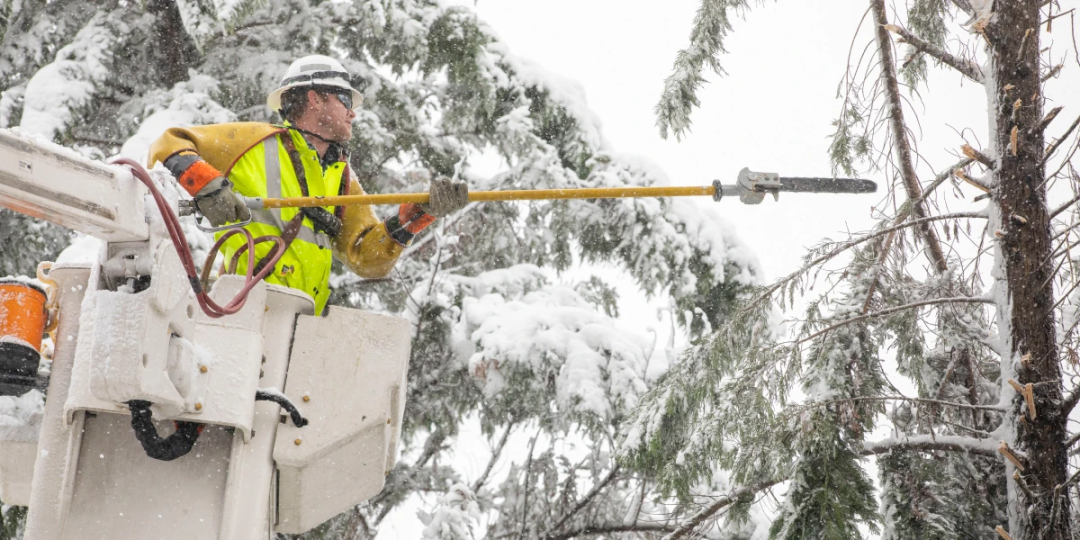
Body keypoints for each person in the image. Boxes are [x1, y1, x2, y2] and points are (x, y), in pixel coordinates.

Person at [148, 55, 467, 313]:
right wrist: (208, 186)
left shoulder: (341, 177)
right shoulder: (254, 142)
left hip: (300, 321)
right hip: (244, 310)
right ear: (315, 98)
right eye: (345, 99)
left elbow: (366, 260)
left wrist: (414, 217)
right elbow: (168, 143)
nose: (352, 113)